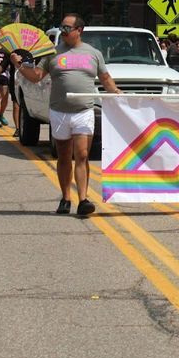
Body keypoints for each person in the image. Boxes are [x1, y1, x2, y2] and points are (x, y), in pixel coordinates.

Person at [10, 14, 122, 215]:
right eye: (62, 27)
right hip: (59, 112)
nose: (63, 31)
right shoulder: (52, 53)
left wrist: (116, 93)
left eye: (67, 28)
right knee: (63, 156)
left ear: (79, 30)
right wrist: (19, 64)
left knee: (82, 154)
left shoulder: (93, 53)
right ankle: (65, 198)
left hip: (83, 112)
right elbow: (36, 77)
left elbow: (105, 78)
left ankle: (84, 200)